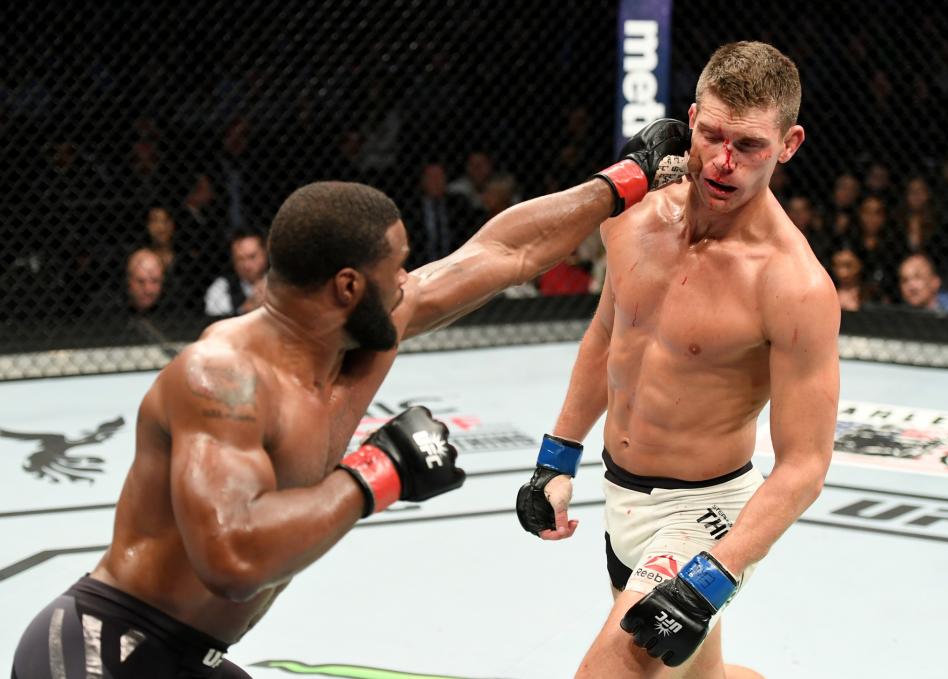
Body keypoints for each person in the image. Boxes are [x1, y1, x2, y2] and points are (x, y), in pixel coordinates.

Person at [12, 118, 692, 678]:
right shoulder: (222, 376)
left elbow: (503, 252)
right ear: (345, 287)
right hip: (102, 648)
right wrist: (379, 472)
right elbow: (231, 560)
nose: (408, 277)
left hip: (191, 654)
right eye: (394, 266)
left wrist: (621, 181)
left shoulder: (357, 334)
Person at [516, 41, 840, 678]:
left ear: (789, 144)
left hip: (702, 518)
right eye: (713, 134)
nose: (723, 161)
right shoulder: (634, 216)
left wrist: (715, 576)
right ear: (690, 119)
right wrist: (556, 458)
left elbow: (806, 463)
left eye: (747, 146)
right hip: (621, 492)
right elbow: (608, 335)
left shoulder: (793, 285)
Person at [204, 229, 269, 317]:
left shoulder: (282, 280)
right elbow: (213, 315)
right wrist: (245, 309)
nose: (247, 265)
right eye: (240, 259)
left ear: (265, 253)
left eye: (252, 257)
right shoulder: (222, 287)